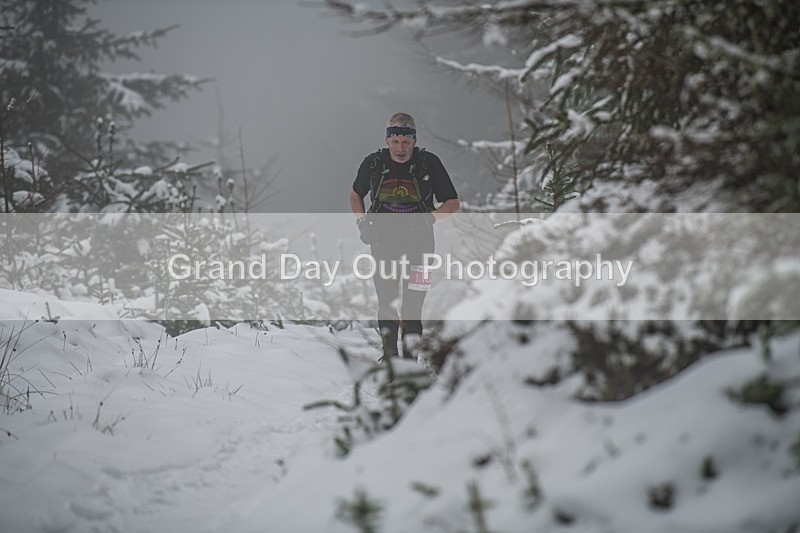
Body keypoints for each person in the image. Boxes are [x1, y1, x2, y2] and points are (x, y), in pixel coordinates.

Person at [349, 112, 460, 361]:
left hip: (421, 242)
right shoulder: (374, 163)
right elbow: (355, 193)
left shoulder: (428, 163)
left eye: (406, 142)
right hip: (382, 240)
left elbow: (453, 203)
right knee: (387, 301)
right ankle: (390, 357)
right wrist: (361, 223)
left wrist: (430, 218)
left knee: (413, 305)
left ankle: (410, 361)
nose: (401, 148)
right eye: (396, 142)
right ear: (388, 140)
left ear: (414, 141)